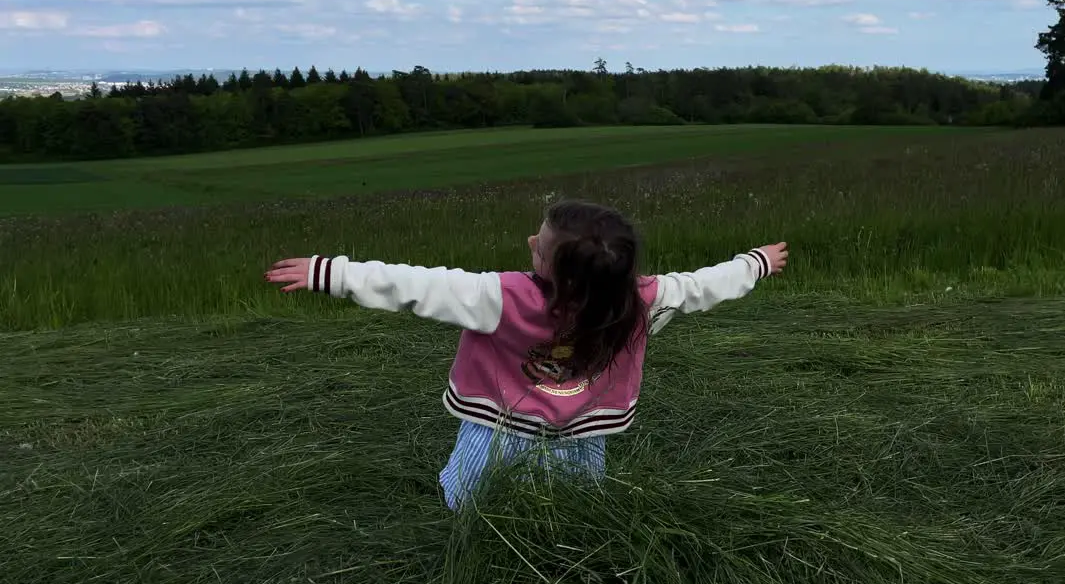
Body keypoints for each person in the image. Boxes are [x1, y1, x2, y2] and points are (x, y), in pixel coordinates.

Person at [263, 199, 788, 510]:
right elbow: (704, 286)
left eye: (539, 245)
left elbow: (418, 286)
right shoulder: (645, 299)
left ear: (557, 270)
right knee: (578, 501)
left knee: (470, 499)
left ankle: (466, 535)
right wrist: (755, 263)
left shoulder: (502, 297)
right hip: (586, 431)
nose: (529, 241)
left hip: (498, 431)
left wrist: (330, 273)